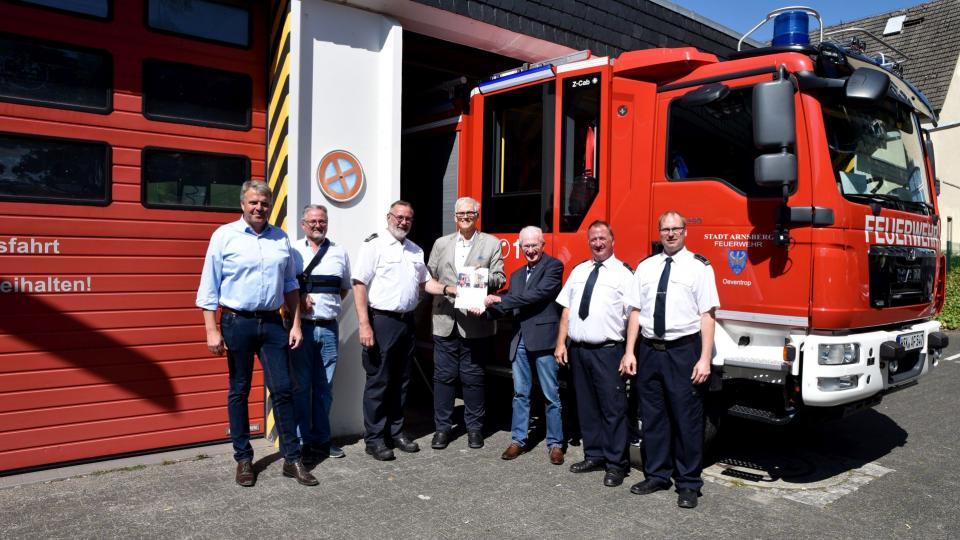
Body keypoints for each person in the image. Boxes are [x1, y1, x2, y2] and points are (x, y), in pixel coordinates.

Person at [196, 180, 316, 487]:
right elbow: (209, 287)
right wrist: (212, 330)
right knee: (239, 389)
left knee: (284, 389)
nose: (259, 208)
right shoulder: (224, 236)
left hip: (274, 324)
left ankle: (292, 459)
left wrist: (297, 324)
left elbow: (291, 285)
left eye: (264, 203)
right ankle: (244, 459)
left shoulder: (280, 238)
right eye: (253, 202)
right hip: (237, 323)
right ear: (242, 204)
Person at [620, 210, 720, 509]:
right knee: (653, 417)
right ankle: (657, 475)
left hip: (683, 352)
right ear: (659, 232)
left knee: (687, 420)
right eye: (666, 229)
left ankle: (688, 483)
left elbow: (708, 315)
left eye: (676, 229)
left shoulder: (699, 268)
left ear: (685, 231)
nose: (671, 234)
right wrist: (629, 351)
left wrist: (705, 359)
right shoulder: (646, 267)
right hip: (650, 351)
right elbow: (635, 312)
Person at [353, 200, 446, 461]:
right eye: (399, 217)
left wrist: (452, 290)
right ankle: (374, 439)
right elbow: (359, 284)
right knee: (379, 381)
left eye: (408, 218)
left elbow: (426, 283)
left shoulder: (415, 250)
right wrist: (364, 324)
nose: (403, 222)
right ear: (389, 217)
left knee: (402, 381)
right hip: (382, 321)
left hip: (406, 323)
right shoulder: (374, 245)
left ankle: (396, 432)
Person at [555, 221, 634, 487]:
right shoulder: (579, 271)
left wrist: (629, 351)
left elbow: (633, 315)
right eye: (593, 239)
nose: (597, 243)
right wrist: (561, 343)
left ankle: (616, 464)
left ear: (612, 240)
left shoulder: (624, 274)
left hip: (608, 351)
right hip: (579, 350)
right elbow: (566, 310)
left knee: (613, 410)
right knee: (586, 407)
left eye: (602, 238)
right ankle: (594, 455)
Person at [480, 226, 565, 464]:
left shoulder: (554, 267)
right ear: (520, 247)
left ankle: (555, 444)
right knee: (520, 394)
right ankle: (518, 440)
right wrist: (481, 309)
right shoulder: (516, 275)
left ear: (542, 244)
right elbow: (511, 307)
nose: (530, 250)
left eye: (534, 245)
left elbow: (536, 295)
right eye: (525, 246)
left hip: (544, 340)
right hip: (519, 340)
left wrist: (501, 298)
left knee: (551, 395)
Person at [426, 197, 505, 450]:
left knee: (473, 378)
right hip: (444, 319)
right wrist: (448, 288)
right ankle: (442, 429)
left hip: (475, 321)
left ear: (477, 215)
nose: (466, 217)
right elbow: (429, 277)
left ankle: (474, 429)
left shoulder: (491, 243)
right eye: (461, 214)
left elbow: (500, 277)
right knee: (444, 378)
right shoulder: (441, 243)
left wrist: (480, 280)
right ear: (454, 217)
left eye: (470, 213)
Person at [290, 204, 351, 463]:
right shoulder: (293, 250)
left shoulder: (339, 252)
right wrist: (298, 301)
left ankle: (322, 440)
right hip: (301, 328)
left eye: (322, 221)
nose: (318, 225)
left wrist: (328, 305)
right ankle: (303, 442)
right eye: (313, 221)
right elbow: (284, 287)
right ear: (304, 224)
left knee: (324, 388)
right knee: (301, 387)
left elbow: (344, 288)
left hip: (328, 327)